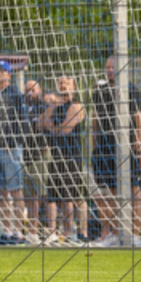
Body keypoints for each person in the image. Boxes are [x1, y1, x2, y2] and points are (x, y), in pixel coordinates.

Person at [91, 56, 141, 246]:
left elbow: (140, 121)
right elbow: (94, 120)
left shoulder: (133, 91)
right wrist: (95, 145)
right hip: (105, 148)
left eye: (113, 67)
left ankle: (135, 234)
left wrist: (137, 145)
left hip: (127, 148)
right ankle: (114, 233)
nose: (109, 70)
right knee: (111, 191)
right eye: (107, 67)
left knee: (134, 190)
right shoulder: (100, 92)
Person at [0, 61, 30, 245]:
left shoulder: (15, 94)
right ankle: (6, 231)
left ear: (9, 75)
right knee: (0, 192)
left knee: (15, 190)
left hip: (9, 147)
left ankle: (19, 232)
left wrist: (13, 142)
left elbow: (23, 121)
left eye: (3, 71)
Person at [41, 75, 88, 244]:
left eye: (67, 83)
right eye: (60, 82)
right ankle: (53, 232)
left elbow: (66, 128)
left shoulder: (77, 105)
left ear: (74, 86)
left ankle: (81, 232)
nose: (63, 85)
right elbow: (43, 123)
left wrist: (54, 127)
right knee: (53, 195)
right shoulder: (55, 106)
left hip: (72, 156)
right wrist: (52, 114)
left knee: (74, 196)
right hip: (55, 155)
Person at [22, 79, 49, 244]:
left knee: (44, 194)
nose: (30, 93)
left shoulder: (45, 107)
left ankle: (49, 229)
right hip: (25, 156)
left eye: (33, 89)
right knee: (29, 195)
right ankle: (32, 231)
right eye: (27, 90)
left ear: (39, 91)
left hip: (40, 154)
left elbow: (46, 127)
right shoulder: (22, 109)